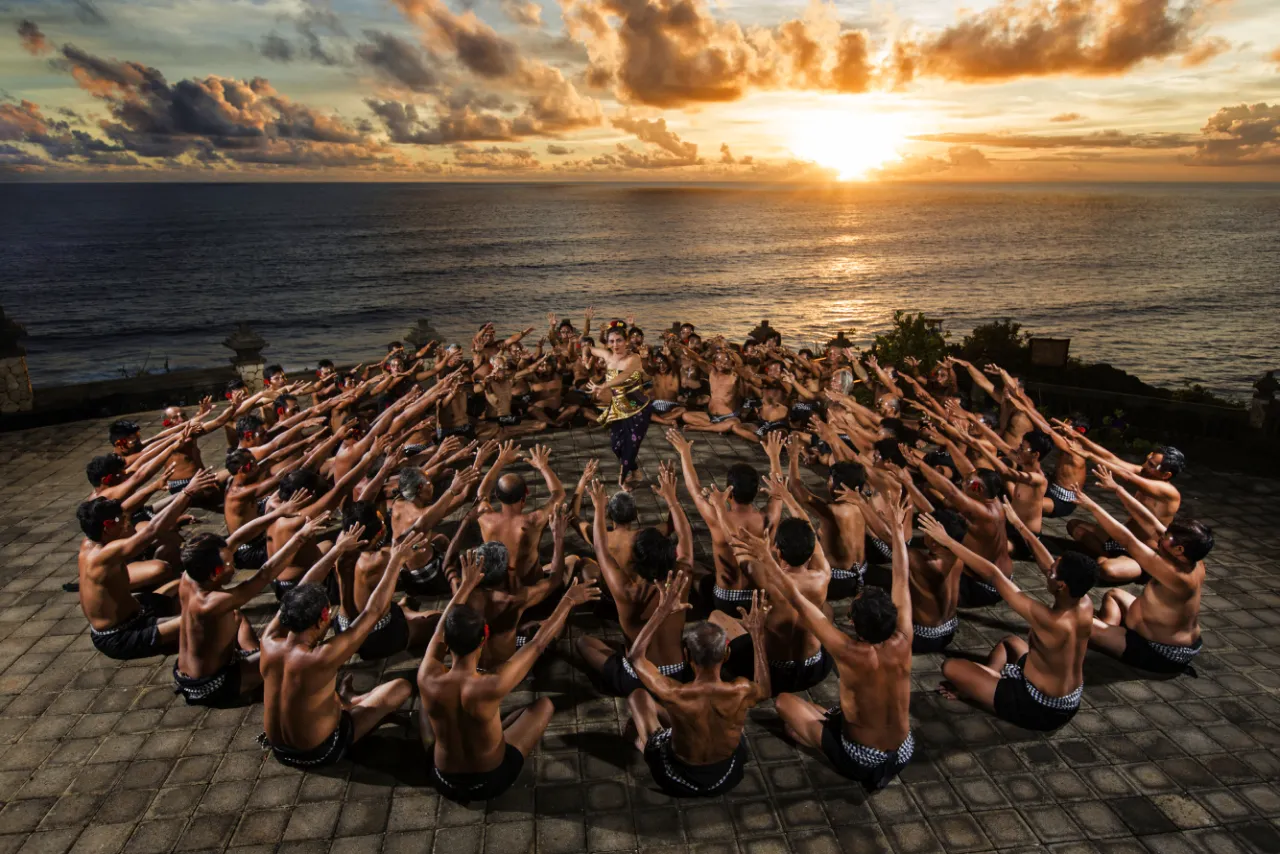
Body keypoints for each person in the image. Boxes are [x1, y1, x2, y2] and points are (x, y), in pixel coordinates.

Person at [730, 493, 914, 791]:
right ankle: (827, 727)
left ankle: (831, 745)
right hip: (904, 751)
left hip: (861, 759)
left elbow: (795, 598)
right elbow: (901, 578)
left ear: (854, 623)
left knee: (784, 704)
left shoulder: (847, 650)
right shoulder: (904, 640)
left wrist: (766, 557)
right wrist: (895, 530)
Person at [418, 552, 599, 802]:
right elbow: (538, 643)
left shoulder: (427, 676)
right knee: (544, 706)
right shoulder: (494, 683)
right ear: (484, 638)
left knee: (425, 706)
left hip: (442, 779)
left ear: (447, 642)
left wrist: (465, 586)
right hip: (490, 780)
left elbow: (439, 630)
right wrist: (568, 601)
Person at [257, 531, 424, 768]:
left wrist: (337, 550)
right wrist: (396, 561)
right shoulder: (321, 656)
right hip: (320, 751)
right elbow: (373, 612)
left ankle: (349, 701)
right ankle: (351, 704)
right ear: (323, 617)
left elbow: (300, 590)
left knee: (321, 693)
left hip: (280, 750)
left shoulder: (268, 639)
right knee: (400, 688)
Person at [924, 506, 1097, 732]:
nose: (1048, 570)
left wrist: (947, 540)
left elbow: (994, 574)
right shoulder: (1084, 603)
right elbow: (1048, 564)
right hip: (1069, 699)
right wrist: (1019, 525)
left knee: (951, 668)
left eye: (1053, 571)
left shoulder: (1050, 620)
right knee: (1009, 642)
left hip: (1038, 707)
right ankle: (990, 681)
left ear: (1062, 585)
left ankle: (983, 688)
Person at [626, 571, 772, 797]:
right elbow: (765, 689)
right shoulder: (741, 690)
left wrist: (661, 611)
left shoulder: (673, 692)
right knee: (732, 724)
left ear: (686, 655)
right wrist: (757, 636)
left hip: (678, 779)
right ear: (727, 653)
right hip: (727, 776)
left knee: (638, 697)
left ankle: (643, 742)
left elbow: (636, 657)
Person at [173, 514, 330, 706]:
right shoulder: (211, 603)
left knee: (236, 615)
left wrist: (279, 511)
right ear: (215, 574)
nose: (234, 566)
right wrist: (300, 538)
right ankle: (256, 672)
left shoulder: (190, 576)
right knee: (283, 656)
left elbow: (238, 538)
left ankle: (255, 656)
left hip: (187, 671)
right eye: (230, 564)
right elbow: (264, 575)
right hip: (211, 685)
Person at [575, 468, 697, 700]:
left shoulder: (625, 591)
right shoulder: (682, 578)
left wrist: (600, 507)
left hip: (639, 677)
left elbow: (601, 549)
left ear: (637, 560)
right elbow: (685, 537)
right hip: (678, 674)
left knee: (583, 643)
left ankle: (617, 684)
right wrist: (672, 498)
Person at [76, 470, 217, 660]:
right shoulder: (103, 555)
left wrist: (154, 486)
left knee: (184, 584)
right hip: (121, 635)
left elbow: (126, 508)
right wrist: (187, 492)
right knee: (208, 622)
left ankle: (179, 634)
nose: (127, 523)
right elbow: (152, 530)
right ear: (108, 526)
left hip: (137, 611)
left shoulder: (90, 540)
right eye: (122, 521)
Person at [1075, 482, 1211, 677]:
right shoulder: (1192, 560)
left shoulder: (1175, 574)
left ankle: (1104, 635)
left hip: (1160, 651)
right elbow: (1150, 522)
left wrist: (1092, 506)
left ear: (1179, 550)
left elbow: (1127, 540)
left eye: (1168, 538)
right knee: (1114, 594)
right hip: (1151, 629)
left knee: (1075, 622)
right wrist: (1118, 489)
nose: (1161, 537)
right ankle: (1108, 632)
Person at [716, 516, 834, 694]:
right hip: (813, 668)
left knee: (717, 616)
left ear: (778, 551)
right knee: (827, 611)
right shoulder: (822, 577)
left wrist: (718, 507)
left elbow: (735, 543)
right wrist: (787, 497)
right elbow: (813, 540)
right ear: (810, 553)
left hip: (774, 672)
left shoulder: (763, 576)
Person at [667, 428, 775, 613]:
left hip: (725, 598)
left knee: (696, 569)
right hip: (757, 598)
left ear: (729, 492)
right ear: (756, 492)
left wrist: (684, 453)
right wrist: (774, 457)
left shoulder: (718, 517)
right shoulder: (768, 518)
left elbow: (694, 489)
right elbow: (778, 492)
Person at [1066, 442, 1185, 585]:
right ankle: (1107, 555)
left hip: (1140, 553)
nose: (1145, 466)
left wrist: (1091, 456)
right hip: (1121, 539)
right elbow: (1113, 459)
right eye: (1147, 461)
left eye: (1152, 465)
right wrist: (1079, 438)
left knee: (1106, 570)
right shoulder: (1146, 474)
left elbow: (1127, 475)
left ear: (1166, 475)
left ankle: (1117, 563)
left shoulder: (1168, 492)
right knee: (1075, 526)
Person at [476, 441, 565, 586]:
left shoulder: (485, 518)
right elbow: (559, 494)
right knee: (572, 560)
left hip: (500, 586)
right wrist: (543, 466)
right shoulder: (533, 521)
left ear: (497, 496)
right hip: (531, 587)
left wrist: (500, 461)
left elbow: (482, 492)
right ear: (525, 495)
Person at [585, 320, 651, 487]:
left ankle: (623, 479)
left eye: (619, 340)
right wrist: (585, 353)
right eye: (612, 341)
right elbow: (587, 347)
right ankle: (635, 471)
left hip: (639, 409)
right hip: (618, 409)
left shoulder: (634, 358)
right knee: (616, 446)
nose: (615, 345)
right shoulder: (607, 356)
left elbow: (625, 375)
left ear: (626, 341)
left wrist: (603, 386)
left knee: (631, 445)